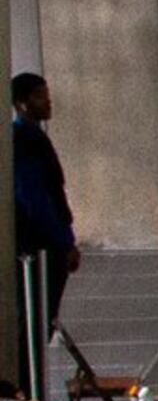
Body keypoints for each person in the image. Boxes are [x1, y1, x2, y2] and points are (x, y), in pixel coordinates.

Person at [8, 76, 75, 336]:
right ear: (21, 103)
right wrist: (62, 241)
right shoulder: (24, 141)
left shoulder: (34, 137)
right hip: (40, 242)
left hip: (47, 238)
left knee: (43, 315)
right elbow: (36, 197)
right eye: (39, 96)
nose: (48, 101)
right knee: (37, 316)